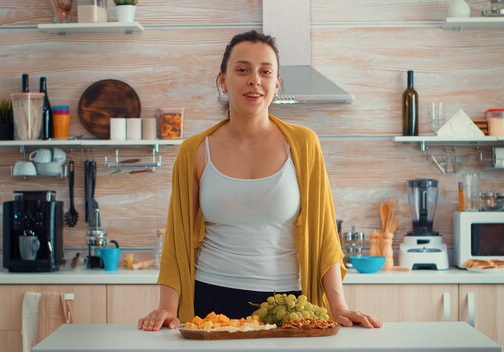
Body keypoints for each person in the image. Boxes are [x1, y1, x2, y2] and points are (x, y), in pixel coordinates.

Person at [138, 30, 382, 331]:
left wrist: (339, 305)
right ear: (223, 80)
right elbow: (178, 237)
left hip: (287, 303)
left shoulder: (304, 145)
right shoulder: (196, 151)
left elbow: (324, 233)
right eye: (242, 69)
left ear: (276, 84)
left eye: (265, 71)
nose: (254, 79)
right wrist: (167, 307)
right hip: (211, 300)